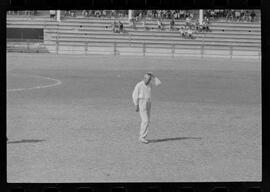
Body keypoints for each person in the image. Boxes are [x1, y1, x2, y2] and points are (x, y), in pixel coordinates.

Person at [132, 72, 161, 144]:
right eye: (148, 79)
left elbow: (158, 83)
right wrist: (136, 105)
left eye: (150, 79)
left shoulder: (150, 84)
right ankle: (141, 137)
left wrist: (153, 76)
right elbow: (134, 95)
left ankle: (143, 137)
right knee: (145, 120)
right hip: (141, 103)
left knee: (147, 121)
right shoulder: (139, 85)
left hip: (148, 103)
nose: (149, 81)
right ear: (144, 78)